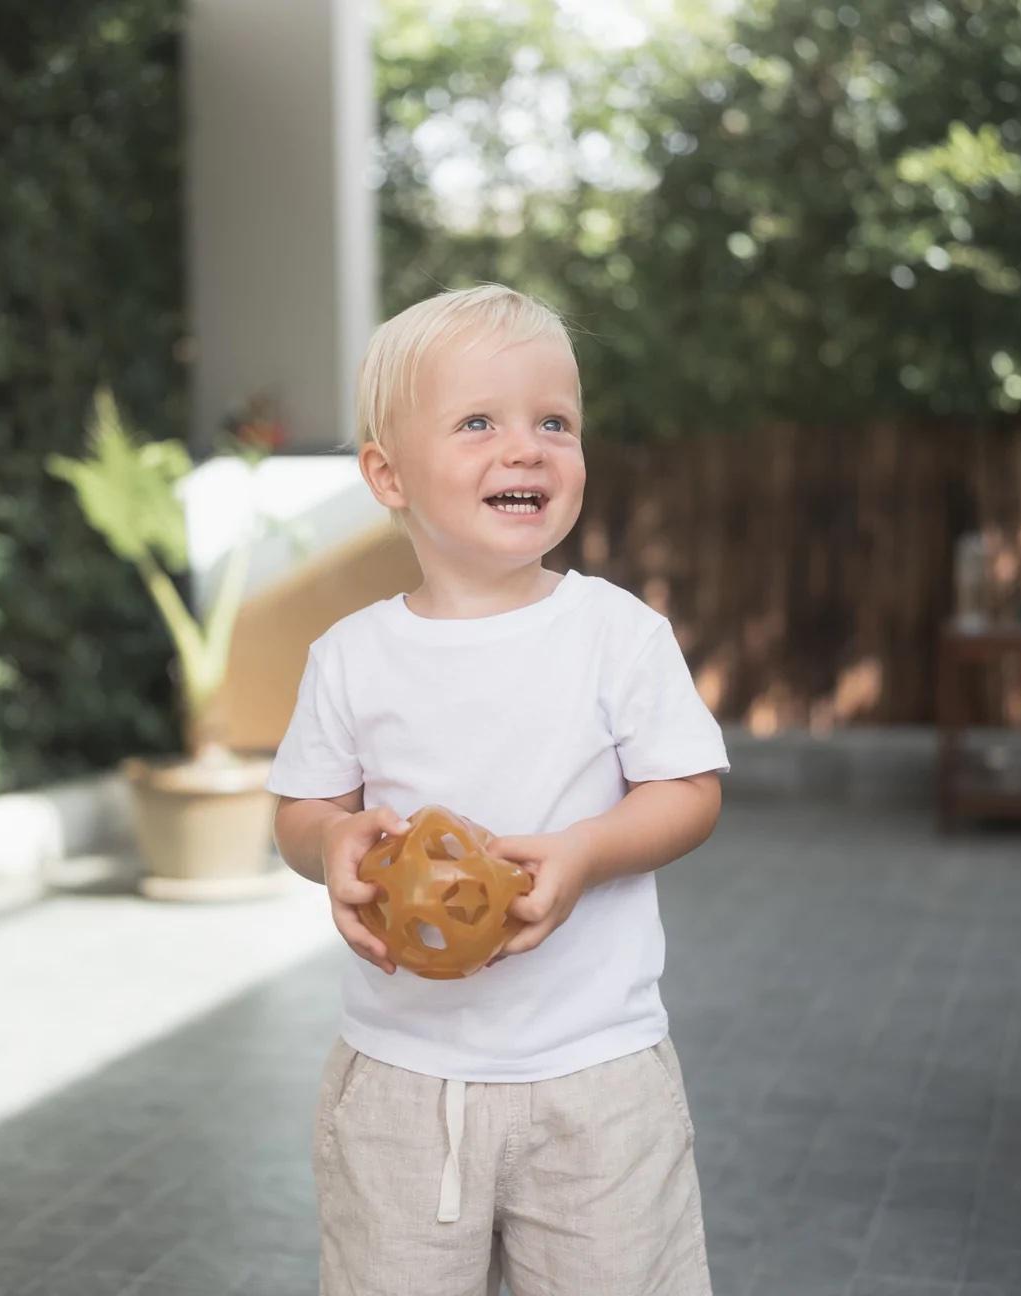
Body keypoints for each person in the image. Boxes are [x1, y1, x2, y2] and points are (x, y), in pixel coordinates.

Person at [266, 283, 729, 1296]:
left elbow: (689, 789)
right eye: (478, 422)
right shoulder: (351, 657)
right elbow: (302, 811)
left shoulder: (615, 634)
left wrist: (585, 853)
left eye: (554, 422)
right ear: (387, 475)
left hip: (597, 1080)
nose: (526, 448)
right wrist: (332, 848)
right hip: (399, 1083)